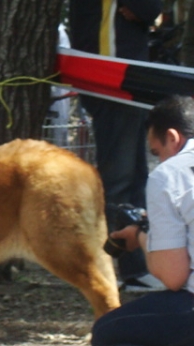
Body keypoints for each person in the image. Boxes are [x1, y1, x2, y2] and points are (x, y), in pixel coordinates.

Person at [91, 95, 194, 346]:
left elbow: (173, 276)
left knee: (108, 335)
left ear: (173, 138)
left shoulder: (171, 173)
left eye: (157, 151)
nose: (160, 159)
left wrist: (144, 238)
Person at [69, 0, 165, 292]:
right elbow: (150, 11)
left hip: (121, 77)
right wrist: (147, 15)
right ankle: (122, 269)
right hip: (112, 77)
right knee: (120, 180)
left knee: (135, 176)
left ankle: (137, 267)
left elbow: (152, 14)